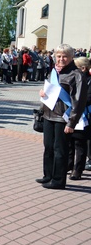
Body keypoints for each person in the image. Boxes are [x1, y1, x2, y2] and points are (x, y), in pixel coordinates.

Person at [37, 44, 88, 189]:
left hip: (63, 118)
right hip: (49, 115)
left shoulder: (76, 75)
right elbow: (49, 90)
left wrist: (71, 123)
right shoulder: (54, 72)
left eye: (65, 56)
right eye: (58, 56)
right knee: (48, 147)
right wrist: (42, 93)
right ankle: (48, 176)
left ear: (72, 57)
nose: (61, 59)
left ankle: (58, 180)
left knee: (60, 149)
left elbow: (79, 102)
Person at [67, 57, 91, 180]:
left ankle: (78, 170)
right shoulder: (74, 79)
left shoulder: (89, 81)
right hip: (71, 114)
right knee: (70, 141)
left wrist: (77, 102)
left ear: (83, 68)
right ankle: (69, 165)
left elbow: (87, 98)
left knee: (80, 143)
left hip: (85, 116)